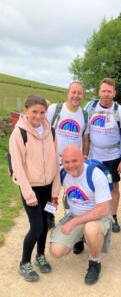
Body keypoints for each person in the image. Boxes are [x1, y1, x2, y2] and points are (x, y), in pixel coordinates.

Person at [9, 94, 60, 282]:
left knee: (46, 223)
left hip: (48, 188)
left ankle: (40, 255)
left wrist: (55, 192)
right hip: (31, 188)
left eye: (42, 112)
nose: (39, 116)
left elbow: (55, 161)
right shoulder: (19, 133)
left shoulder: (52, 132)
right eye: (34, 112)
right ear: (26, 110)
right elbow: (18, 167)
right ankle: (24, 263)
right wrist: (28, 194)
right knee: (37, 225)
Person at [50, 145, 112, 285]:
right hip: (75, 215)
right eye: (66, 162)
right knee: (56, 251)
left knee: (90, 229)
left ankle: (95, 261)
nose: (70, 165)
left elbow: (103, 210)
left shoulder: (95, 174)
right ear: (62, 162)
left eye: (74, 161)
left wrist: (74, 222)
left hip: (97, 217)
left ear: (83, 158)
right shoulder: (63, 173)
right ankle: (80, 238)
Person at [46, 81, 89, 255]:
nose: (76, 96)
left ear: (83, 95)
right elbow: (44, 132)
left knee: (74, 197)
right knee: (51, 193)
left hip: (73, 165)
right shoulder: (55, 110)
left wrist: (84, 158)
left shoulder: (84, 115)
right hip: (52, 161)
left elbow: (85, 139)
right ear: (68, 93)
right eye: (73, 92)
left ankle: (77, 236)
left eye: (79, 93)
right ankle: (49, 219)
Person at [85, 78, 121, 232]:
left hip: (113, 156)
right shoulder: (90, 107)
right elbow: (85, 133)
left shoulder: (120, 110)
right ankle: (96, 215)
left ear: (114, 93)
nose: (106, 94)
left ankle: (113, 217)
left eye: (109, 91)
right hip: (94, 156)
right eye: (103, 91)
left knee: (113, 187)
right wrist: (84, 155)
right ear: (99, 92)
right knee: (92, 186)